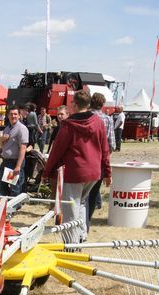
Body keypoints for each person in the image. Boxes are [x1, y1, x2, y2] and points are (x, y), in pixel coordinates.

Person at [43, 90, 111, 244]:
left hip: (75, 173)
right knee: (81, 204)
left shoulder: (68, 125)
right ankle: (81, 236)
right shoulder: (98, 122)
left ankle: (71, 245)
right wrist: (107, 172)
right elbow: (105, 149)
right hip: (94, 173)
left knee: (70, 210)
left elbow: (56, 150)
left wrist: (46, 171)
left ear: (74, 104)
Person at [88, 92, 116, 228]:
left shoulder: (85, 117)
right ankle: (87, 220)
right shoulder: (107, 119)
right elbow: (111, 144)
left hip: (84, 159)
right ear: (103, 104)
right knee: (93, 193)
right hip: (99, 161)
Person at [0, 108, 29, 197]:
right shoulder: (7, 128)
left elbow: (23, 148)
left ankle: (13, 208)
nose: (13, 116)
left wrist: (18, 166)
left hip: (14, 162)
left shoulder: (21, 129)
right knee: (2, 186)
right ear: (8, 116)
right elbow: (2, 147)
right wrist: (2, 140)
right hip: (6, 161)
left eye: (15, 114)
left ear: (19, 115)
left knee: (14, 188)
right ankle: (2, 208)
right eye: (11, 114)